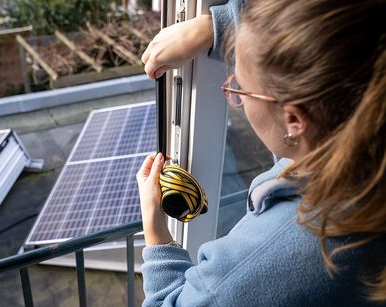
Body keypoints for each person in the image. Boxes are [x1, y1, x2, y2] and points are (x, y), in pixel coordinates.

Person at [136, 0, 386, 306]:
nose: (232, 95)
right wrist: (214, 27)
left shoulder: (273, 255)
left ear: (295, 120)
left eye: (240, 86)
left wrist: (154, 228)